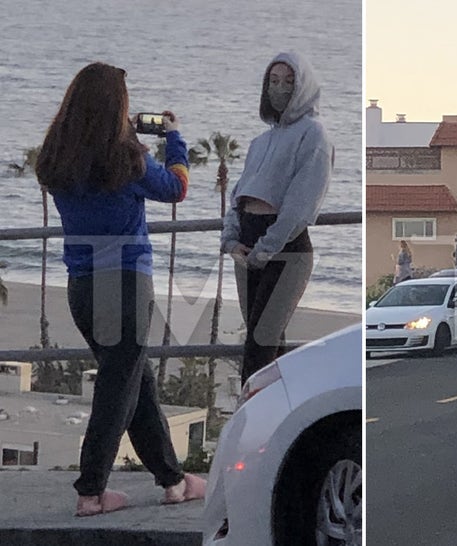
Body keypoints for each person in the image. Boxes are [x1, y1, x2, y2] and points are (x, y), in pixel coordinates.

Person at [35, 62, 205, 516]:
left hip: (82, 288)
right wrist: (174, 140)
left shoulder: (58, 157)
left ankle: (173, 480)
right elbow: (176, 189)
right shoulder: (125, 157)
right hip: (126, 285)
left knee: (135, 384)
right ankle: (91, 490)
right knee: (117, 391)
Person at [220, 52, 333, 385]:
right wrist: (231, 241)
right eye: (273, 81)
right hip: (248, 243)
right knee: (269, 345)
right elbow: (238, 196)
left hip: (286, 249)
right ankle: (281, 425)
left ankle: (247, 424)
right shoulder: (261, 142)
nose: (280, 89)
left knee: (260, 346)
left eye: (288, 82)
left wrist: (267, 247)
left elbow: (301, 205)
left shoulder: (314, 135)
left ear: (302, 86)